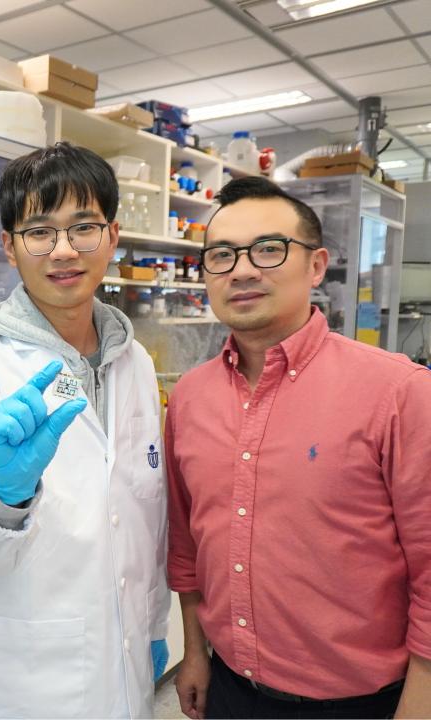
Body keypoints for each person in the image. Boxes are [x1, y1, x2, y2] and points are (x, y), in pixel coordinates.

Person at [0, 141, 170, 718]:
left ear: (113, 236)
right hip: (20, 680)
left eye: (84, 227)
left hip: (126, 662)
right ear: (9, 245)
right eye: (39, 231)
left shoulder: (135, 363)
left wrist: (154, 621)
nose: (63, 251)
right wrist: (3, 496)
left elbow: (144, 513)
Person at [166, 176, 431, 719]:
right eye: (221, 255)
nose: (242, 269)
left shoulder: (398, 391)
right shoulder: (190, 398)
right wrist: (195, 652)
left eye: (268, 249)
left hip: (363, 704)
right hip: (231, 689)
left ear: (316, 265)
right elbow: (186, 546)